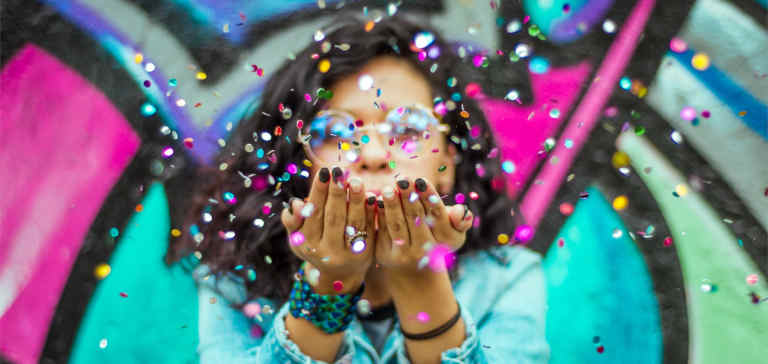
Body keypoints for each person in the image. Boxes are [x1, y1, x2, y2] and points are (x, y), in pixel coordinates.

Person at [168, 12, 549, 364]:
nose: (373, 153)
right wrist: (327, 287)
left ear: (448, 162)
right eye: (336, 133)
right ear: (301, 165)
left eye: (408, 130)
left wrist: (421, 280)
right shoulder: (235, 283)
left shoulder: (506, 278)